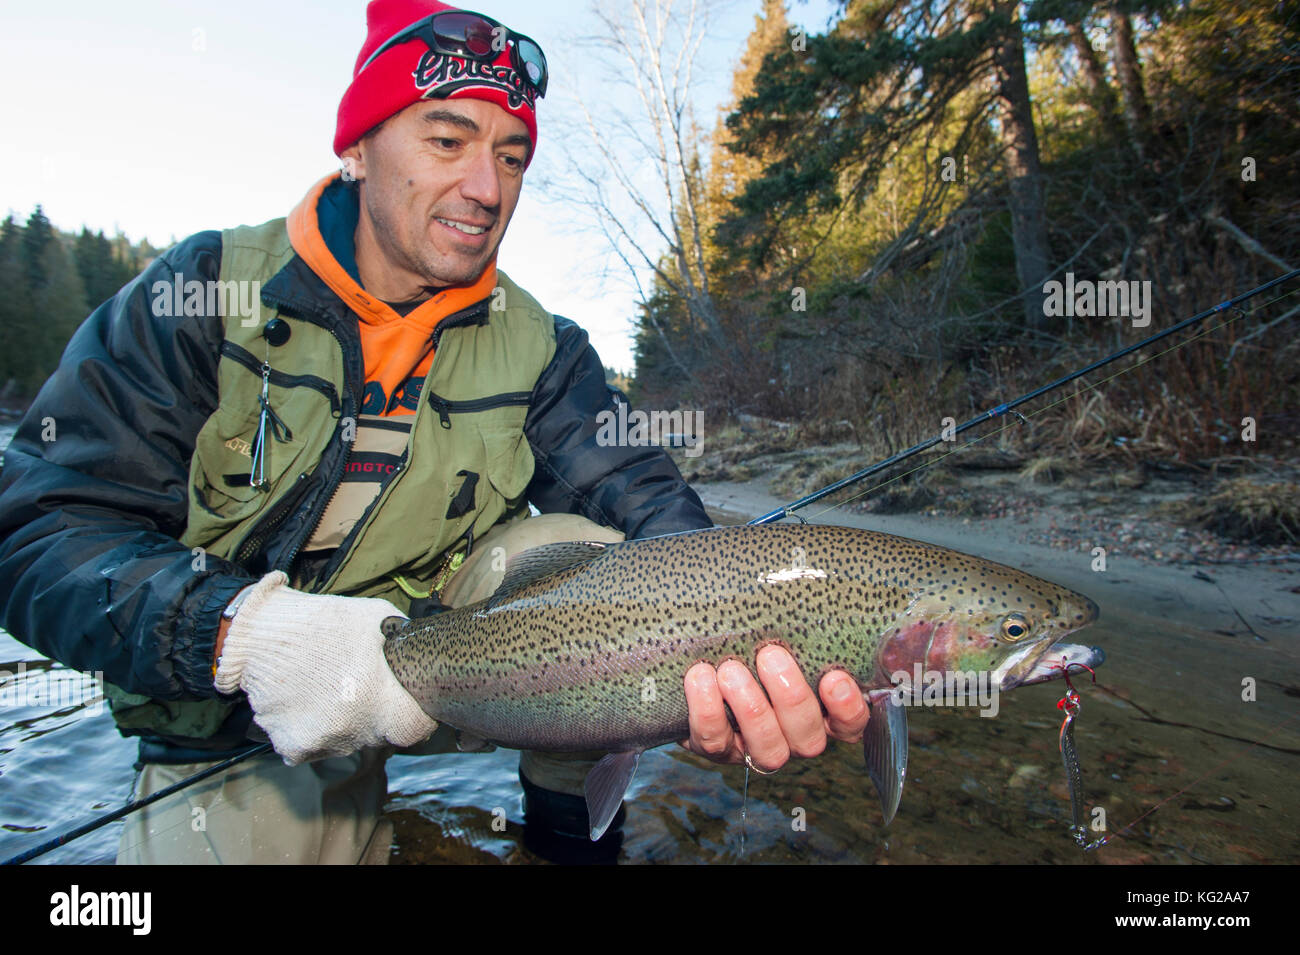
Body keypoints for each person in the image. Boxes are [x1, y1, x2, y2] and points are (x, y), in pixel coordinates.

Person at [0, 0, 869, 864]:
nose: (487, 190)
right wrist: (241, 636)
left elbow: (653, 513)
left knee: (592, 551)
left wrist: (735, 657)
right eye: (447, 141)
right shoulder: (203, 293)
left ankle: (569, 847)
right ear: (357, 148)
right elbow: (38, 532)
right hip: (235, 715)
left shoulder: (543, 346)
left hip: (461, 676)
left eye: (511, 155)